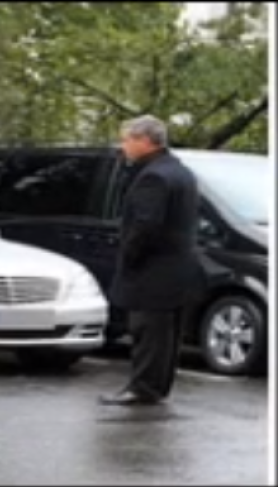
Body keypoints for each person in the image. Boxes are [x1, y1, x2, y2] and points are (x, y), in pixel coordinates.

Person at [100, 115, 201, 406]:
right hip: (176, 268)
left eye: (127, 140)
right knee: (166, 335)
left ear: (145, 141)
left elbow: (145, 226)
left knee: (147, 331)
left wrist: (130, 256)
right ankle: (156, 386)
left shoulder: (153, 177)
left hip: (153, 269)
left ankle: (142, 387)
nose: (123, 147)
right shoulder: (181, 171)